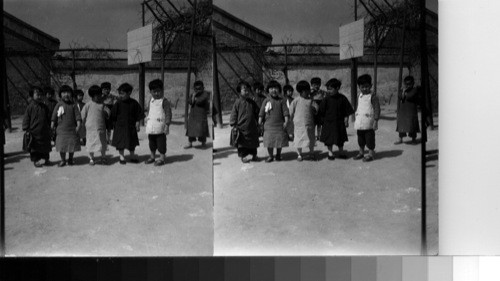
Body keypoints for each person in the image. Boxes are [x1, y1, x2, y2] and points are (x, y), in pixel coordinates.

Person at [319, 78, 354, 160]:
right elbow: (321, 111)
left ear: (337, 88)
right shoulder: (326, 99)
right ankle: (330, 153)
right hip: (328, 123)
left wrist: (346, 119)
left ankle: (341, 152)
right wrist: (322, 121)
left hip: (339, 123)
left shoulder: (342, 98)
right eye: (328, 89)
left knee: (340, 138)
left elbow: (347, 110)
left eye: (330, 89)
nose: (328, 91)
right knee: (329, 139)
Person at [111, 83, 143, 164]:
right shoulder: (118, 103)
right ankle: (121, 157)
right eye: (119, 93)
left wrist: (137, 122)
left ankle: (132, 155)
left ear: (129, 93)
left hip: (131, 127)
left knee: (132, 142)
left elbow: (138, 114)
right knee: (120, 143)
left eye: (122, 93)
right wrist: (114, 125)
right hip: (120, 127)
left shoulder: (134, 103)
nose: (120, 95)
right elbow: (113, 115)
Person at [258, 80, 289, 162]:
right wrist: (259, 122)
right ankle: (270, 156)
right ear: (268, 90)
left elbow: (285, 112)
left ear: (279, 89)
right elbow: (261, 113)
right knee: (269, 141)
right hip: (268, 126)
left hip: (279, 125)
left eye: (275, 88)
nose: (273, 90)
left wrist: (286, 121)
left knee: (279, 141)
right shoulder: (266, 100)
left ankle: (278, 155)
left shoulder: (282, 101)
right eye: (271, 88)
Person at [51, 85, 82, 167]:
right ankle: (63, 160)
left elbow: (78, 116)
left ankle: (71, 159)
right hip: (61, 130)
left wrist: (78, 125)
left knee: (72, 146)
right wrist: (52, 125)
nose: (66, 94)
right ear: (60, 95)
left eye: (68, 92)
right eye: (64, 92)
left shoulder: (74, 105)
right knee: (62, 145)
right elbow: (54, 116)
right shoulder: (58, 105)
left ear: (71, 94)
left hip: (72, 130)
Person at [229, 81, 260, 163]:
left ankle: (254, 155)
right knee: (242, 144)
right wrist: (233, 124)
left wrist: (259, 122)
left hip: (252, 127)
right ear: (239, 91)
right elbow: (234, 114)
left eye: (248, 90)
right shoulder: (237, 102)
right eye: (244, 90)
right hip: (241, 129)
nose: (247, 92)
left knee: (253, 143)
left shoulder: (252, 102)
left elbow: (257, 112)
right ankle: (243, 156)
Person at [22, 86, 52, 167]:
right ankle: (36, 160)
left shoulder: (44, 107)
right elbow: (26, 118)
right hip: (34, 132)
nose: (39, 96)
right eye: (37, 94)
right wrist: (26, 128)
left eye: (41, 95)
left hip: (44, 131)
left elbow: (48, 117)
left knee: (46, 147)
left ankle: (47, 159)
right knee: (34, 148)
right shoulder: (30, 107)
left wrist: (50, 126)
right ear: (32, 96)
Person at [145, 79, 172, 166]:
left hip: (160, 127)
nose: (157, 93)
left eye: (159, 91)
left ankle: (162, 158)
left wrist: (167, 124)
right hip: (151, 126)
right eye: (154, 91)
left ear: (162, 90)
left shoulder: (164, 101)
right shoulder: (150, 101)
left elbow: (168, 113)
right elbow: (149, 111)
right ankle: (152, 156)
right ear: (150, 91)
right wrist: (146, 118)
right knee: (151, 143)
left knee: (161, 144)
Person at [353, 74, 380, 162]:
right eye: (362, 87)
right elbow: (358, 107)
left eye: (367, 86)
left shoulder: (373, 97)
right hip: (360, 123)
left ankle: (371, 154)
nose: (365, 89)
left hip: (369, 123)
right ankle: (361, 152)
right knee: (360, 139)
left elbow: (377, 109)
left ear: (371, 86)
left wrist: (376, 120)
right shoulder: (359, 96)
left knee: (370, 140)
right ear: (359, 87)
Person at [81, 85, 110, 166]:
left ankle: (103, 157)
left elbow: (108, 114)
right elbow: (82, 115)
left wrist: (107, 113)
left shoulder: (102, 105)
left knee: (102, 143)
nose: (98, 97)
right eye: (96, 96)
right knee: (91, 143)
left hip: (101, 128)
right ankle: (91, 158)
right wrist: (82, 125)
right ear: (92, 96)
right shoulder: (88, 105)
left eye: (99, 95)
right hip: (90, 129)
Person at [288, 81, 317, 161]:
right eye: (306, 91)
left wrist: (315, 109)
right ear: (301, 91)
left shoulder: (310, 100)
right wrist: (289, 122)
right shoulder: (296, 101)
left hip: (309, 123)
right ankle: (299, 154)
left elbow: (316, 109)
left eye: (308, 90)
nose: (308, 92)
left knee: (311, 138)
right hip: (298, 124)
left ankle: (311, 153)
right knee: (298, 139)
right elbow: (290, 111)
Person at [395, 76, 420, 145]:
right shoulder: (403, 90)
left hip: (411, 111)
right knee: (401, 124)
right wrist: (403, 92)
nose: (408, 85)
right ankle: (400, 139)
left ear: (413, 83)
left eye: (410, 84)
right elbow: (400, 96)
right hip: (403, 111)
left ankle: (413, 139)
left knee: (412, 124)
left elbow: (410, 96)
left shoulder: (414, 90)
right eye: (406, 84)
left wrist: (404, 93)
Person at [185, 80, 210, 148]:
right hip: (193, 115)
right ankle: (190, 143)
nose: (198, 90)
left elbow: (200, 101)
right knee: (191, 129)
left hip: (201, 115)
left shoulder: (205, 94)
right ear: (194, 88)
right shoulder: (192, 94)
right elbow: (190, 102)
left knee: (202, 129)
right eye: (196, 89)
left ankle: (203, 143)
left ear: (203, 88)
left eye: (199, 89)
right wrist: (193, 97)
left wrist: (195, 98)